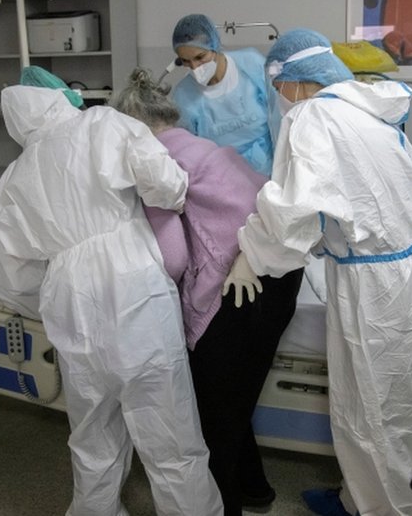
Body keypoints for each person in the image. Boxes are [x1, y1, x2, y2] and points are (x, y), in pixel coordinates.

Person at [0, 69, 223, 516]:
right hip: (131, 288)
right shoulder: (102, 125)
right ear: (65, 96)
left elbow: (22, 277)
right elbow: (167, 185)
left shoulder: (11, 180)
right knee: (170, 436)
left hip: (68, 299)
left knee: (92, 432)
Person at [226, 28, 412, 516]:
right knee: (394, 407)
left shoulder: (313, 116)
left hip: (376, 289)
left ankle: (387, 512)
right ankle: (361, 497)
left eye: (278, 87)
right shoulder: (366, 109)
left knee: (371, 415)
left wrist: (252, 252)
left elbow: (291, 213)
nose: (278, 99)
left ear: (297, 81)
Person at [111, 68, 304, 515]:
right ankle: (255, 489)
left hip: (237, 289)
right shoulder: (208, 148)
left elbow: (174, 257)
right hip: (280, 275)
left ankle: (227, 507)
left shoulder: (155, 163)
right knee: (236, 398)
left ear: (129, 129)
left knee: (213, 417)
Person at [170, 13, 277, 177]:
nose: (194, 67)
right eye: (185, 61)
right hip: (222, 183)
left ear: (215, 46)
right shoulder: (184, 95)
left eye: (200, 57)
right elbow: (188, 150)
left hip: (270, 170)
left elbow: (279, 115)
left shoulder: (250, 64)